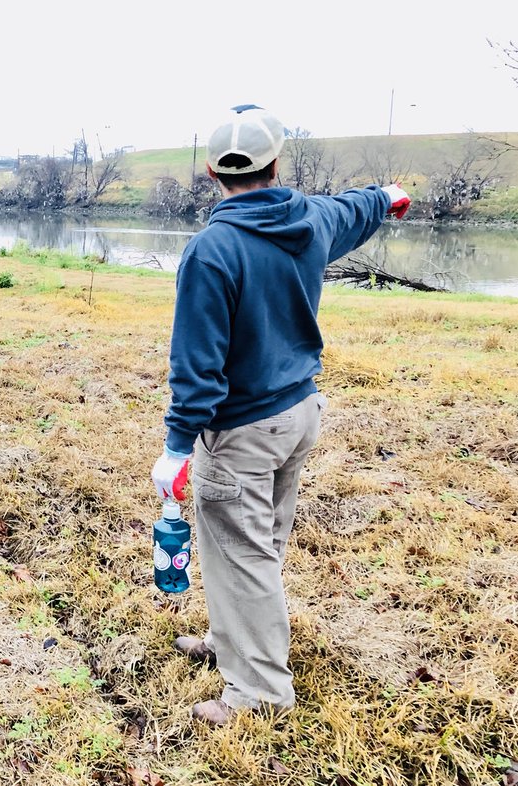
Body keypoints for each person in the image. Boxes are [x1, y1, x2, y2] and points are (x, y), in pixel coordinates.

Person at [150, 105, 410, 725]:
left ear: (213, 172)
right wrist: (388, 194)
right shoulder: (311, 221)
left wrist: (178, 444)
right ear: (275, 164)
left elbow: (197, 362)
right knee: (254, 542)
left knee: (244, 552)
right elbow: (357, 207)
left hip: (242, 429)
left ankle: (260, 690)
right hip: (299, 413)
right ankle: (233, 642)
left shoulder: (212, 251)